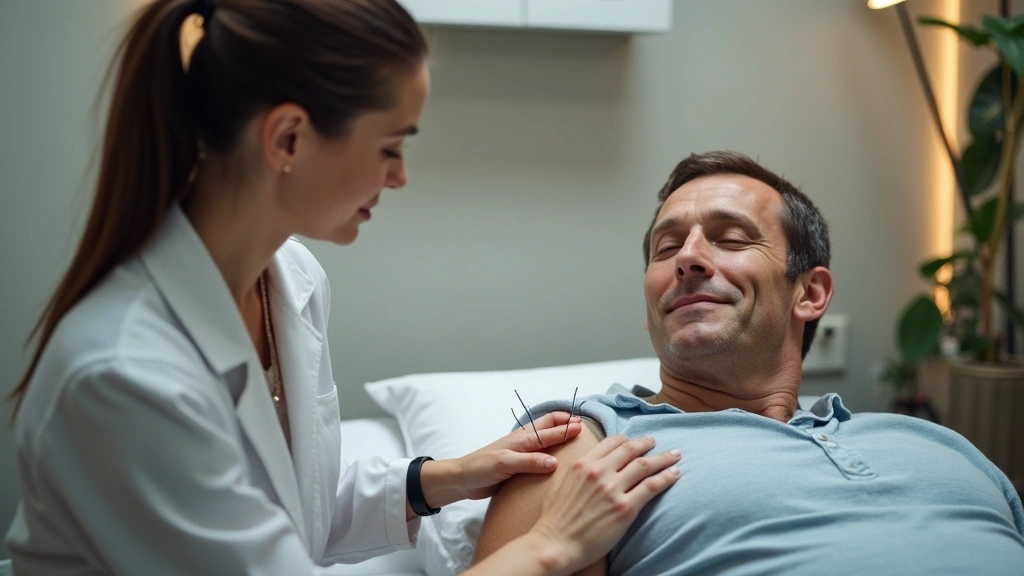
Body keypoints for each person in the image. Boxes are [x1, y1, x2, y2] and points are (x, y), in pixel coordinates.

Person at [3, 1, 682, 574]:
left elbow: (299, 508)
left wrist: (446, 478)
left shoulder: (291, 280)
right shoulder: (124, 379)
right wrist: (550, 545)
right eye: (390, 146)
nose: (400, 177)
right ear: (289, 139)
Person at [473, 150, 1024, 575]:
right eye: (666, 251)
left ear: (810, 293)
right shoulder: (593, 446)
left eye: (731, 239)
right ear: (654, 308)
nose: (687, 258)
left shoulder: (940, 446)